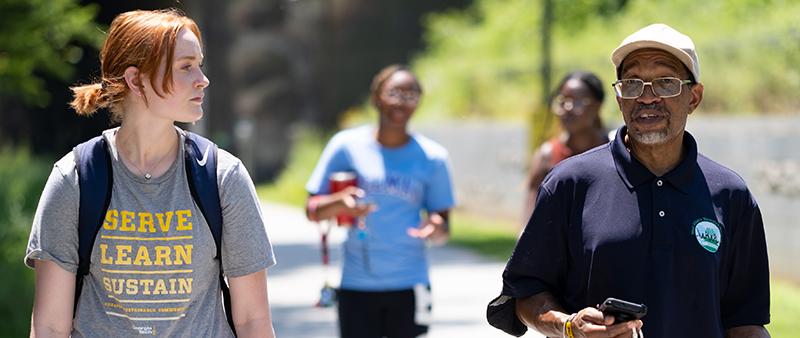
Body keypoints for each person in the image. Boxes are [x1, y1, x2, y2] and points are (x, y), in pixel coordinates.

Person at [488, 23, 770, 338]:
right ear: (620, 99)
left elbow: (746, 320)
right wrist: (569, 326)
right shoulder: (570, 182)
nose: (647, 97)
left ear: (694, 97)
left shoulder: (731, 194)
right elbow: (525, 294)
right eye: (632, 83)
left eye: (665, 83)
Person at [25, 9, 276, 337]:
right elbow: (49, 326)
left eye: (199, 64)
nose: (203, 78)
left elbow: (252, 320)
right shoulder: (75, 178)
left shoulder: (222, 177)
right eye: (186, 67)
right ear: (135, 80)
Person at [304, 64, 455, 338]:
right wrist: (340, 202)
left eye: (411, 95)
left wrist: (436, 227)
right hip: (356, 285)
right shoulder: (345, 146)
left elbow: (443, 224)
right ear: (376, 97)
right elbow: (312, 209)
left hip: (412, 284)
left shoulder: (433, 157)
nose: (402, 101)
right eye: (395, 92)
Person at [523, 71, 609, 223]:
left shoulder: (615, 153)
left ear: (597, 106)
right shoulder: (547, 156)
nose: (567, 108)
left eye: (577, 101)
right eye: (562, 101)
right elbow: (530, 222)